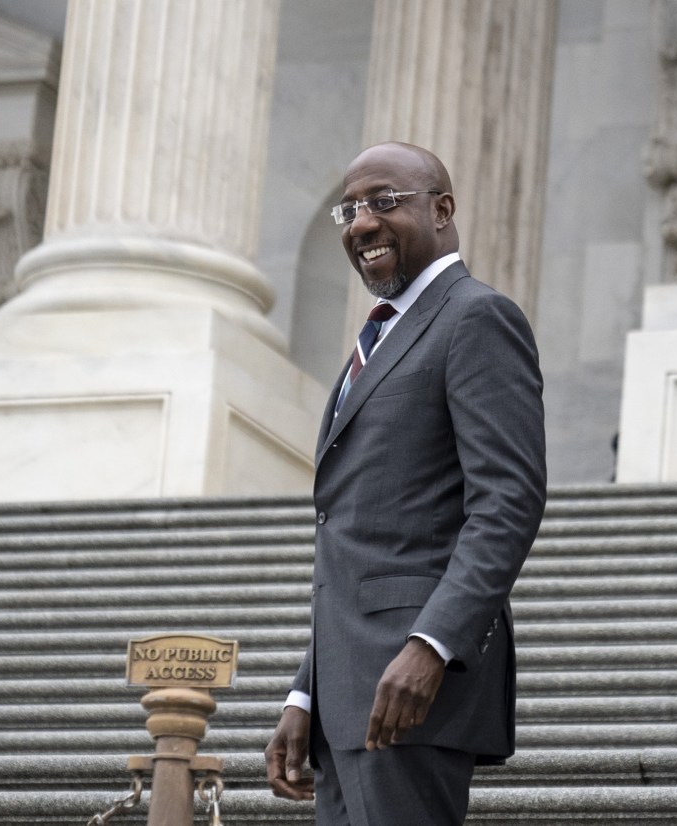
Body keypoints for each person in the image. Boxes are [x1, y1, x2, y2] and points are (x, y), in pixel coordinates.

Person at [264, 141, 547, 825]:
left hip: (413, 687)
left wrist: (431, 646)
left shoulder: (476, 317)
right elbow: (358, 540)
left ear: (443, 209)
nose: (361, 223)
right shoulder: (382, 338)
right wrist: (308, 693)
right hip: (348, 690)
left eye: (385, 201)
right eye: (351, 208)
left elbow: (507, 501)